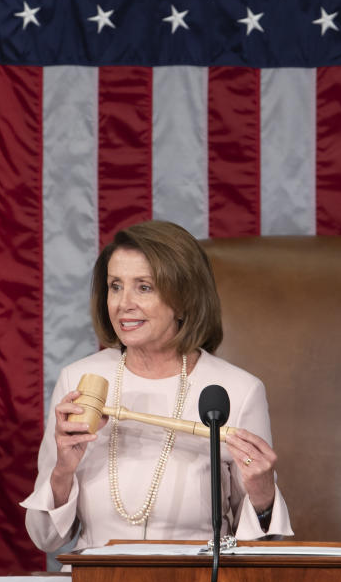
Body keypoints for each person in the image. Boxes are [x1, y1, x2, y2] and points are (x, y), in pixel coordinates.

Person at [22, 220, 292, 554]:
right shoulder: (77, 380)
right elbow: (46, 539)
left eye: (144, 287)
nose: (124, 303)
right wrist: (63, 470)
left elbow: (265, 548)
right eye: (115, 286)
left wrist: (263, 494)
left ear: (183, 299)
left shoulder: (237, 390)